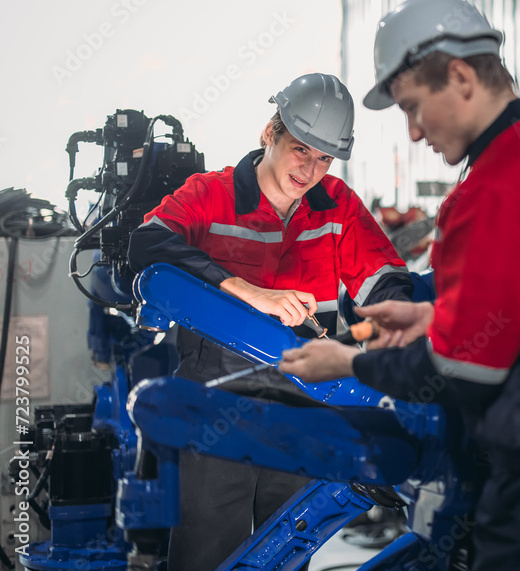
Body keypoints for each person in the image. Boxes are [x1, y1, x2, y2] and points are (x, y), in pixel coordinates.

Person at [280, 0, 520, 570]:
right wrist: (432, 316)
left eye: (413, 107)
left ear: (461, 77)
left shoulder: (488, 192)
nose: (414, 132)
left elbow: (460, 373)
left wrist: (346, 362)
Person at [128, 73, 412, 571]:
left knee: (288, 549)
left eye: (324, 158)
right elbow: (148, 243)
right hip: (217, 403)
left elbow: (383, 279)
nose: (310, 169)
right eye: (301, 149)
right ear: (269, 133)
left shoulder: (338, 206)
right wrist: (246, 290)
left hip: (305, 406)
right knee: (208, 550)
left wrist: (400, 324)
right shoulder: (210, 193)